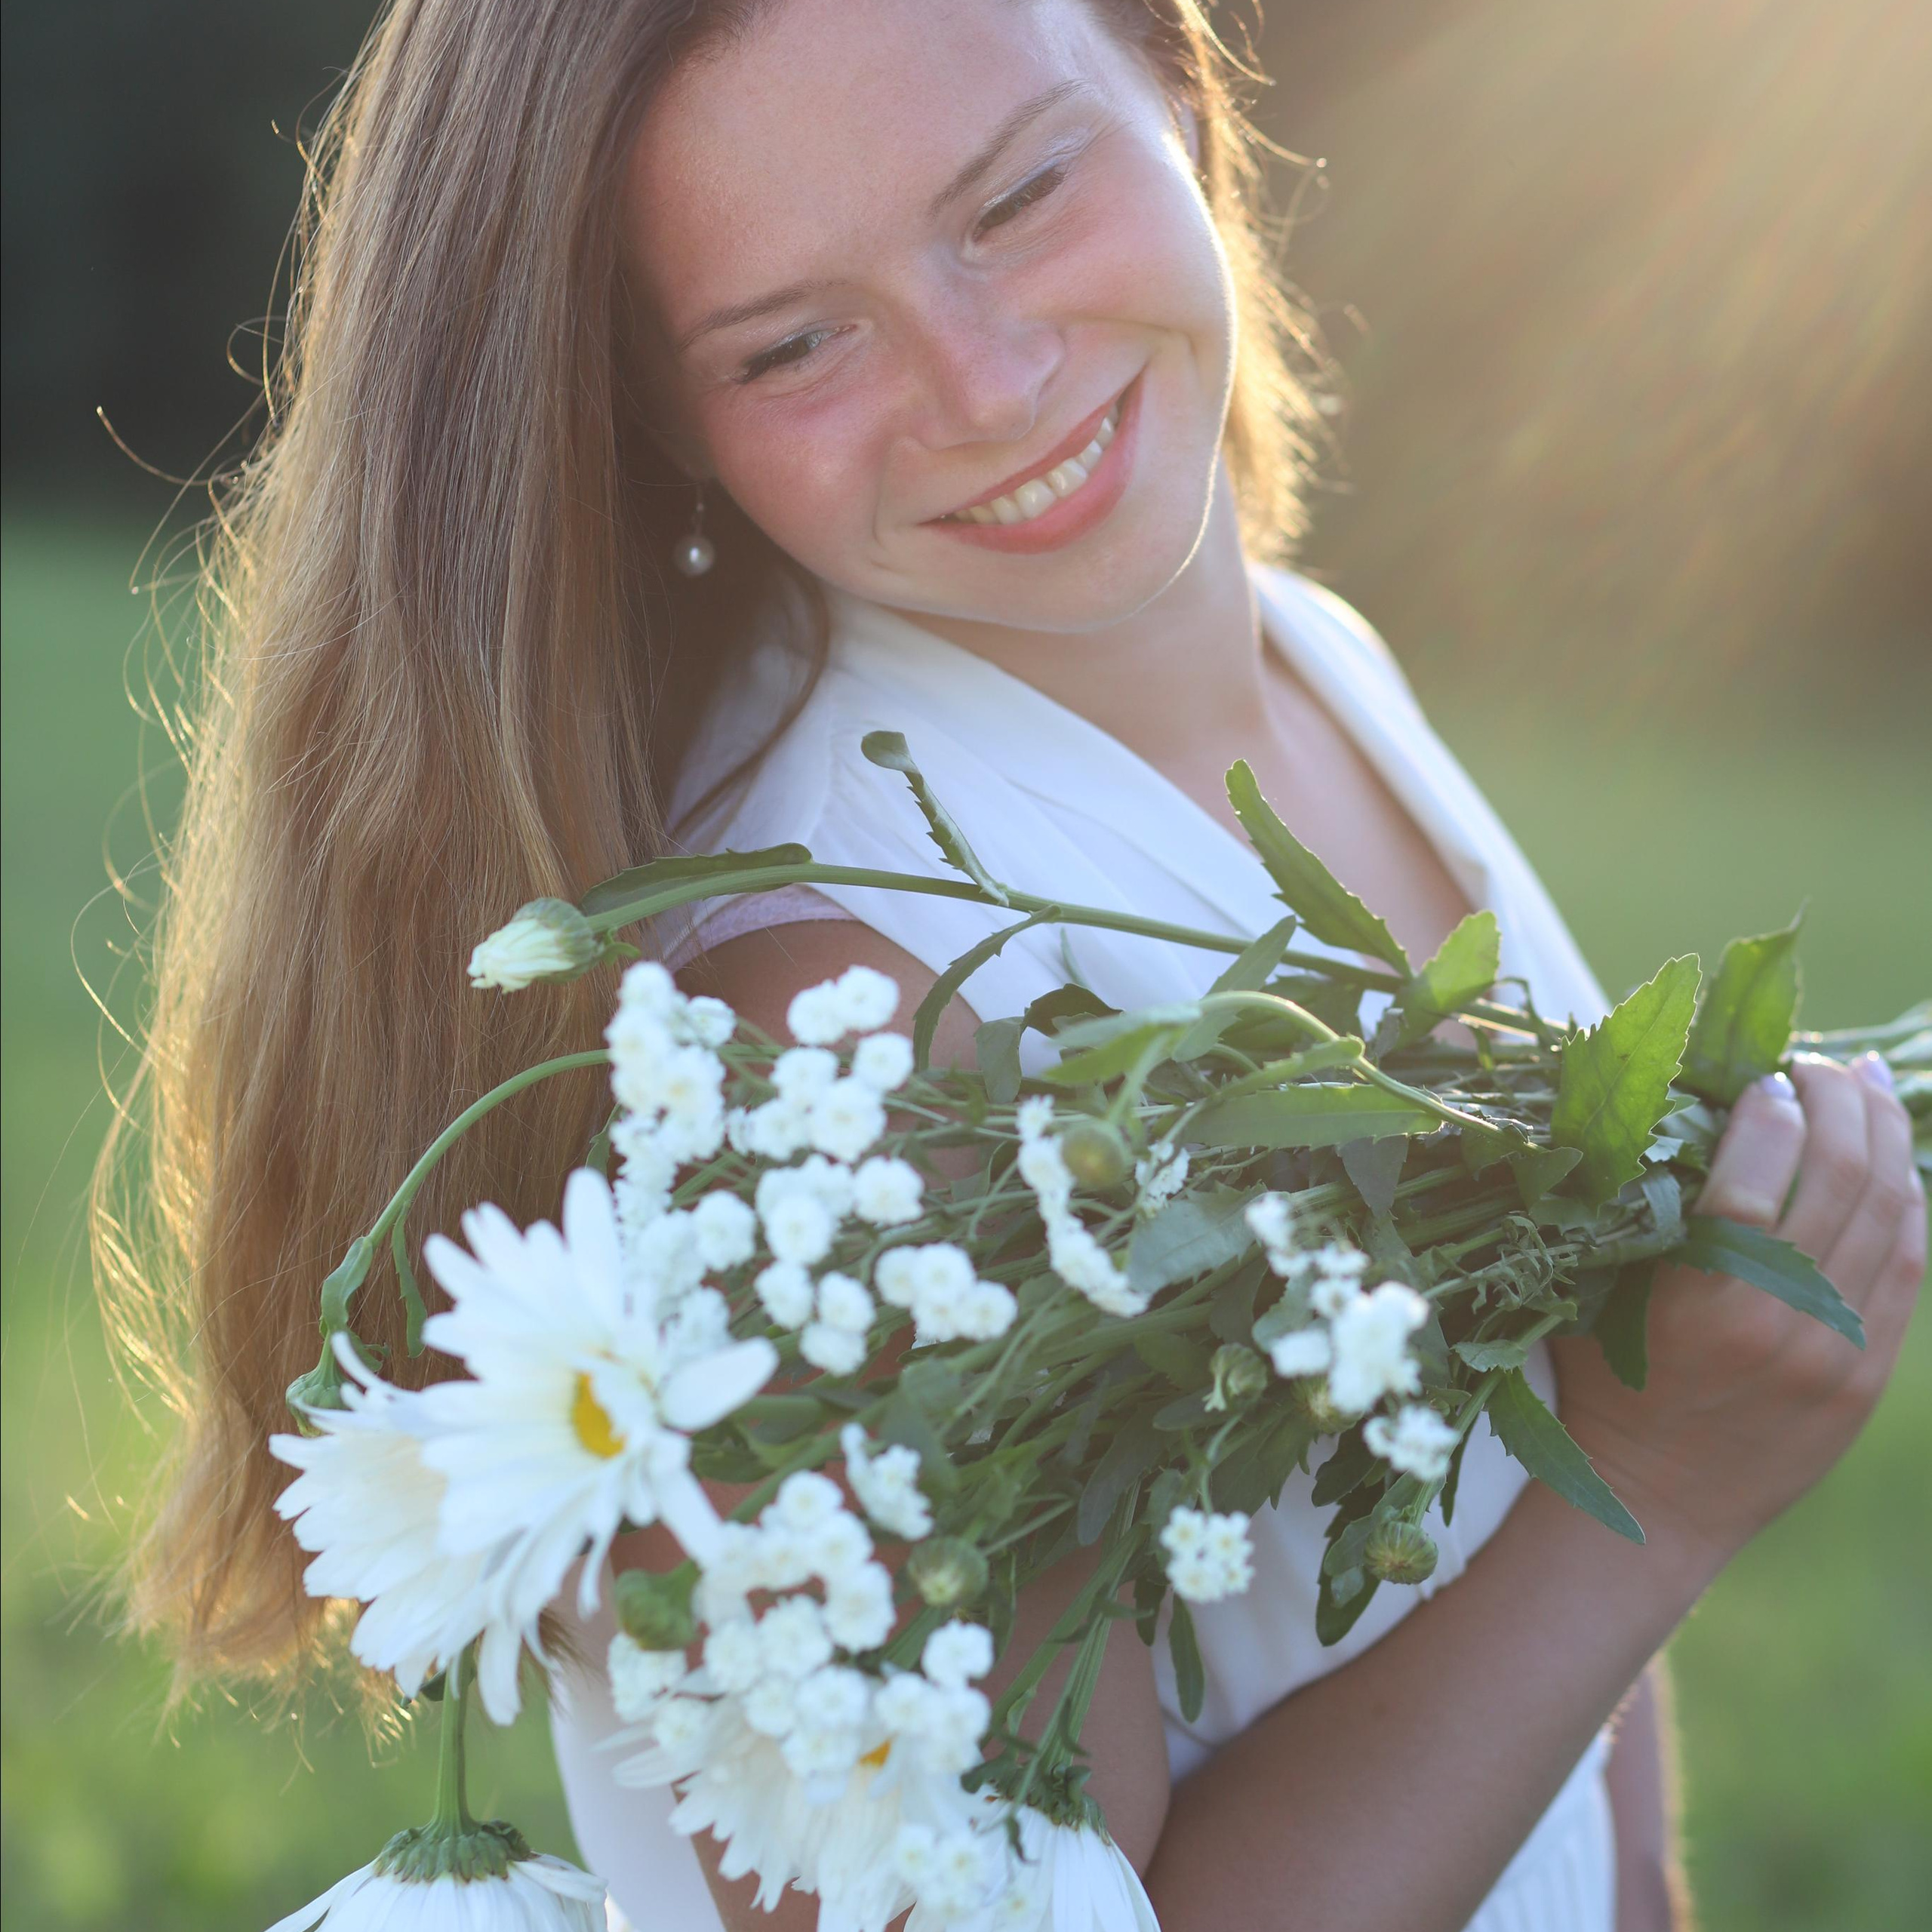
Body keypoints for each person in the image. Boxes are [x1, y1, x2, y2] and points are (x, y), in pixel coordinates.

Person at [97, 2, 1922, 1930]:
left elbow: (1550, 1659)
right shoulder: (832, 1041)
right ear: (659, 426)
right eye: (792, 341)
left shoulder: (1319, 669)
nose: (983, 381)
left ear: (1181, 91)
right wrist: (1650, 1492)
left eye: (1020, 195)